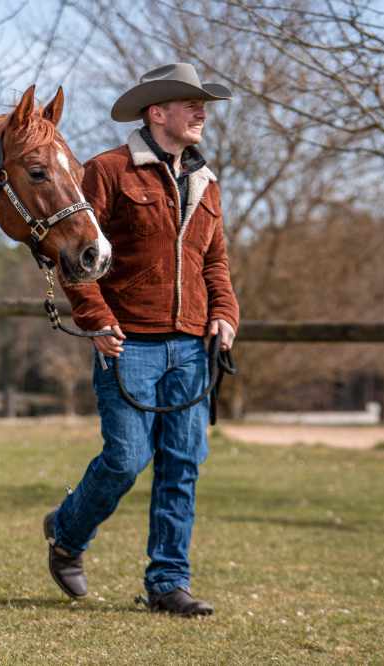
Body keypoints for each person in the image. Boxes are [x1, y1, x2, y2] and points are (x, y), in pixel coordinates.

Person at [44, 63, 240, 616]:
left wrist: (225, 314)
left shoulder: (208, 181)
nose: (202, 113)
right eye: (190, 103)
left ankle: (168, 583)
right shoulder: (107, 172)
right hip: (128, 344)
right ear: (158, 112)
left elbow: (216, 262)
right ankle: (66, 534)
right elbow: (76, 255)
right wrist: (96, 318)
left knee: (183, 464)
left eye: (203, 105)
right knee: (127, 460)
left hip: (193, 349)